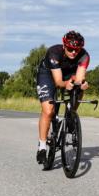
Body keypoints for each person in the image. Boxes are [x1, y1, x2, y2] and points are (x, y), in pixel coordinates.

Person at [35, 31, 89, 164]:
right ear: (64, 46)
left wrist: (81, 84)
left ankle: (71, 115)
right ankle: (42, 147)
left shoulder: (84, 56)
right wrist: (66, 84)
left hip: (68, 73)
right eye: (70, 49)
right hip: (48, 74)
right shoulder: (54, 53)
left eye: (77, 50)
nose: (73, 52)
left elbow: (80, 77)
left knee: (79, 87)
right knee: (48, 111)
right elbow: (59, 82)